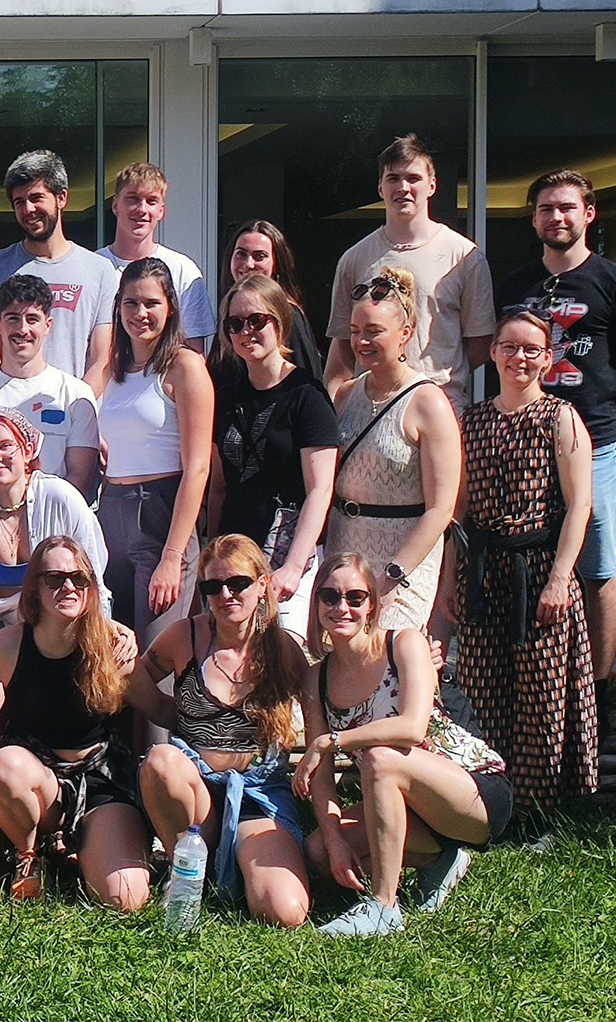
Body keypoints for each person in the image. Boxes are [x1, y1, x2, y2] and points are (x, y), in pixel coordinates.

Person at [295, 553, 512, 937]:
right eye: (329, 596)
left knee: (380, 758)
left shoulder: (404, 644)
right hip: (408, 806)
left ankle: (383, 908)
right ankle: (441, 860)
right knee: (317, 851)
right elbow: (323, 781)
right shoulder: (317, 678)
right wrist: (333, 839)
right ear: (316, 603)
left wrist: (332, 740)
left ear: (372, 604)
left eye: (355, 597)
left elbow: (412, 728)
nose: (341, 607)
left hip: (470, 790)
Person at [455, 308, 596, 825]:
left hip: (540, 567)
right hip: (485, 569)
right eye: (509, 347)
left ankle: (539, 813)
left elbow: (580, 504)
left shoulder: (561, 417)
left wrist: (560, 578)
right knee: (480, 689)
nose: (519, 357)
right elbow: (459, 511)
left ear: (548, 358)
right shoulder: (470, 421)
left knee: (540, 695)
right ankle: (483, 806)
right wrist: (453, 579)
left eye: (531, 349)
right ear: (492, 353)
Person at [131, 535, 311, 927]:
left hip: (257, 794)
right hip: (198, 791)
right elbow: (137, 677)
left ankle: (222, 868)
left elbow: (327, 706)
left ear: (262, 585)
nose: (225, 594)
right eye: (212, 587)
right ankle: (187, 870)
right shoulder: (186, 637)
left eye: (238, 584)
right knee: (162, 760)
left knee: (285, 912)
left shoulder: (283, 649)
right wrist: (172, 714)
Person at [0, 537, 148, 909]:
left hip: (101, 778)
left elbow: (162, 710)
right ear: (35, 588)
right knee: (4, 766)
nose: (68, 587)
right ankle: (30, 856)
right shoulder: (4, 648)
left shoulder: (113, 647)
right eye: (54, 578)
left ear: (90, 587)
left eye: (78, 578)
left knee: (126, 898)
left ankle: (77, 847)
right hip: (37, 782)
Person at [496, 169, 616, 683]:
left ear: (588, 214)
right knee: (525, 566)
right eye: (546, 208)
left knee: (597, 569)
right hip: (526, 443)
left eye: (566, 207)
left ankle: (602, 698)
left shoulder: (608, 281)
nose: (556, 217)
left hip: (598, 442)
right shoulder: (518, 284)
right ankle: (541, 688)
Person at [326, 266, 461, 633]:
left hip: (402, 561)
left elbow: (441, 508)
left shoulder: (428, 403)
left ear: (405, 334)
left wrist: (395, 572)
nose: (362, 342)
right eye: (355, 332)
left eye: (373, 332)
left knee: (392, 665)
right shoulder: (346, 394)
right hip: (345, 550)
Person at [208, 273, 338, 636]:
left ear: (279, 324)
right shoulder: (227, 397)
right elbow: (220, 487)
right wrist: (211, 555)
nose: (246, 331)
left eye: (256, 320)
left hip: (285, 561)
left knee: (286, 662)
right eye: (235, 324)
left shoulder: (307, 396)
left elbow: (320, 489)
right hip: (233, 566)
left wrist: (293, 567)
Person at [323, 134, 494, 407]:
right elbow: (344, 342)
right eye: (393, 179)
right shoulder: (354, 259)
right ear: (380, 188)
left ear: (432, 185)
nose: (403, 187)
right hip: (370, 410)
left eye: (413, 178)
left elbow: (480, 342)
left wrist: (437, 376)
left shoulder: (464, 257)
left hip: (443, 406)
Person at [99, 257, 213, 646]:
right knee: (112, 655)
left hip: (161, 515)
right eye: (131, 303)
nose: (140, 313)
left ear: (170, 308)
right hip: (111, 515)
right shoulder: (112, 370)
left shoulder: (185, 366)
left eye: (151, 303)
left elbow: (197, 469)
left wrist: (172, 556)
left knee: (154, 660)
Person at [0, 407, 107, 626]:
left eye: (5, 446)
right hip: (0, 635)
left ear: (28, 451)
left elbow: (93, 579)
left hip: (63, 624)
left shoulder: (62, 497)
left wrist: (104, 632)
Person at [0, 150, 119, 390]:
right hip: (10, 416)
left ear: (61, 198)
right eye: (19, 201)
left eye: (36, 198)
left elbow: (103, 360)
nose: (28, 209)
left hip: (76, 415)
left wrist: (73, 409)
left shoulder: (99, 270)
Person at [0, 274, 100, 496]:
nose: (22, 329)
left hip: (56, 523)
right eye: (13, 318)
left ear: (48, 325)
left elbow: (80, 478)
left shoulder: (75, 395)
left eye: (32, 319)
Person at [98, 163, 217, 350]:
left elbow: (195, 353)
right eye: (133, 199)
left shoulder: (183, 270)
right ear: (115, 205)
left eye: (151, 201)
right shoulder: (94, 267)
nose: (141, 209)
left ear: (161, 210)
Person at [214, 219, 323, 379]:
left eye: (260, 256)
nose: (249, 264)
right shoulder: (229, 312)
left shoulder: (290, 314)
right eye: (241, 254)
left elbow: (309, 381)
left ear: (276, 264)